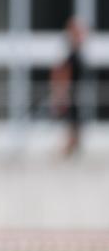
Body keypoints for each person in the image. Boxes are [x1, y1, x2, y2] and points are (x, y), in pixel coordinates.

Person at [51, 17, 87, 157]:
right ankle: (67, 152)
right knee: (72, 125)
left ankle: (71, 151)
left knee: (76, 125)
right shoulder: (69, 53)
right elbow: (60, 72)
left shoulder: (76, 52)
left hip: (76, 95)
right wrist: (61, 94)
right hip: (71, 95)